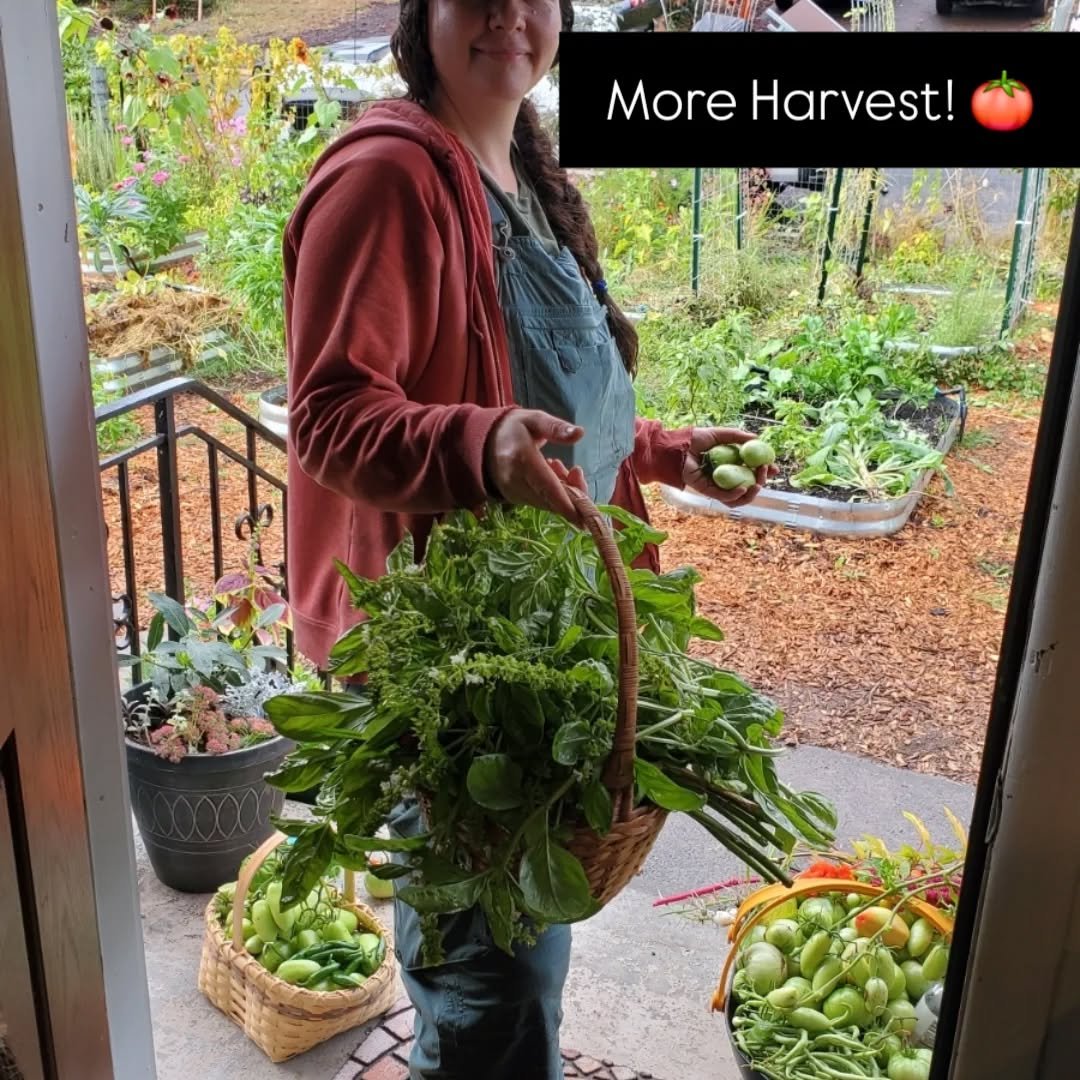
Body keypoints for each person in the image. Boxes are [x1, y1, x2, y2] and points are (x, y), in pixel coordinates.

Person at [281, 0, 776, 1075]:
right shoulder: (389, 177)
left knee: (522, 967)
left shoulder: (524, 180)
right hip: (448, 661)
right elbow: (327, 412)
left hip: (538, 636)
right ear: (422, 13)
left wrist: (659, 452)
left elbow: (545, 399)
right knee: (486, 984)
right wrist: (482, 449)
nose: (509, 11)